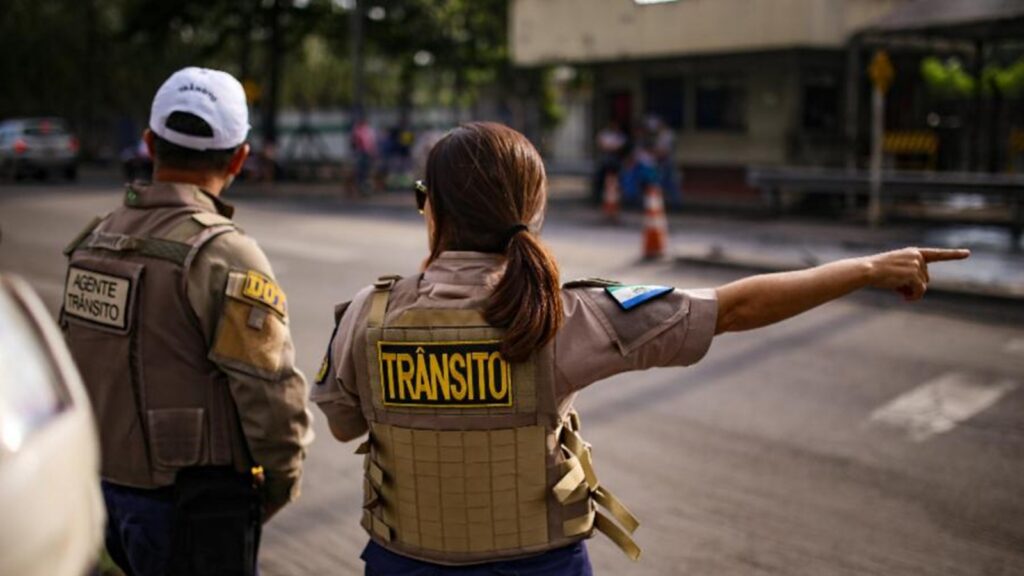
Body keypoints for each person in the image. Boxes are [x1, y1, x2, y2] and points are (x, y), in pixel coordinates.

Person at [311, 122, 968, 575]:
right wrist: (872, 268)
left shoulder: (366, 319)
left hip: (404, 563)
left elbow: (343, 427)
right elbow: (736, 306)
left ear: (432, 210)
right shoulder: (566, 316)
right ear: (533, 214)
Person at [61, 67, 313, 576]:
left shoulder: (95, 241)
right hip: (195, 509)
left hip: (106, 495)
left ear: (151, 143)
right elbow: (269, 391)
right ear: (240, 157)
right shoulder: (224, 252)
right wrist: (282, 480)